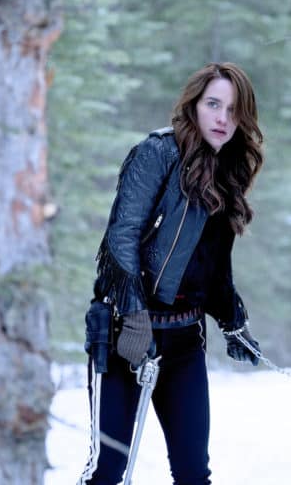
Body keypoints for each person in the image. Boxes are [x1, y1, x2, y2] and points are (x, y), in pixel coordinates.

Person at [78, 62, 264, 485]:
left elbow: (213, 265)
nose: (222, 118)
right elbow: (121, 236)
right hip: (125, 336)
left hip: (184, 340)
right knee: (107, 470)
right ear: (193, 105)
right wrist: (135, 316)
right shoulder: (157, 153)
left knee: (194, 473)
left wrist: (234, 323)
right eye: (213, 104)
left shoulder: (227, 170)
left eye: (233, 110)